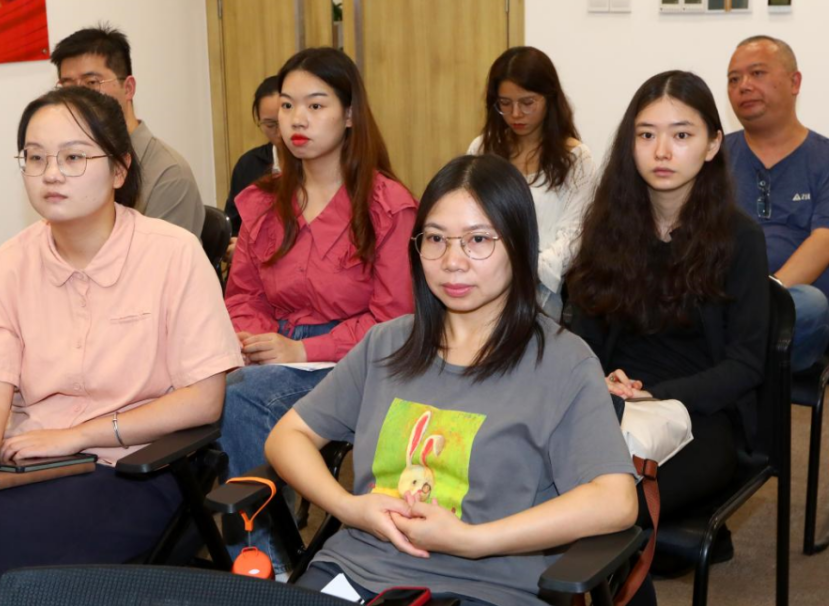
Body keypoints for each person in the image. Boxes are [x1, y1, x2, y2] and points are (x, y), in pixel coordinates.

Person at [0, 87, 242, 606]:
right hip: (27, 467)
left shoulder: (172, 253)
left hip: (137, 470)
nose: (51, 174)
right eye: (36, 157)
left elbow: (204, 400)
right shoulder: (7, 264)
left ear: (119, 169)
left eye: (73, 157)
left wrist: (75, 436)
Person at [267, 154, 639, 606]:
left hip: (487, 590)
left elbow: (616, 500)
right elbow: (287, 436)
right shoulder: (387, 344)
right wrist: (350, 508)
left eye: (478, 239)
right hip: (356, 571)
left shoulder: (563, 361)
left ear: (519, 244)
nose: (452, 261)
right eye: (436, 239)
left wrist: (474, 540)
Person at [219, 47, 416, 575]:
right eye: (287, 106)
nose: (297, 120)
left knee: (241, 398)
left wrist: (302, 349)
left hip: (359, 364)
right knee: (203, 386)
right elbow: (243, 295)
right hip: (270, 354)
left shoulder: (386, 205)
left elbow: (394, 320)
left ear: (349, 114)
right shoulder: (264, 201)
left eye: (315, 105)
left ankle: (263, 560)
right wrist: (254, 340)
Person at [564, 71, 769, 559]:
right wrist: (599, 379)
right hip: (614, 401)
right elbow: (582, 337)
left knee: (609, 509)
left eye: (681, 135)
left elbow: (745, 365)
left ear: (712, 144)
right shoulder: (609, 228)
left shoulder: (740, 238)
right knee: (537, 477)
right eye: (646, 135)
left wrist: (657, 393)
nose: (661, 152)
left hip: (701, 414)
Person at [725, 35, 829, 371]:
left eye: (757, 73)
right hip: (721, 298)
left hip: (790, 309)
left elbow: (828, 244)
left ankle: (727, 363)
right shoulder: (712, 158)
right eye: (734, 79)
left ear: (794, 82)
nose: (744, 86)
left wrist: (763, 299)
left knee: (810, 305)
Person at [467, 46, 594, 319]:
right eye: (505, 103)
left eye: (527, 103)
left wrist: (523, 271)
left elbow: (575, 234)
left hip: (544, 292)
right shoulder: (481, 150)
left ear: (549, 99)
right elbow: (468, 219)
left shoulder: (575, 158)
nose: (515, 114)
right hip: (485, 283)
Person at [52, 25, 207, 235]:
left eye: (91, 82)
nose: (78, 98)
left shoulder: (169, 174)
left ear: (128, 88)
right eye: (68, 86)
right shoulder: (70, 165)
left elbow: (162, 255)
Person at [226, 75, 281, 243]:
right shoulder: (249, 164)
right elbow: (233, 227)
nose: (279, 132)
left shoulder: (316, 165)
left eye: (283, 121)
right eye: (270, 125)